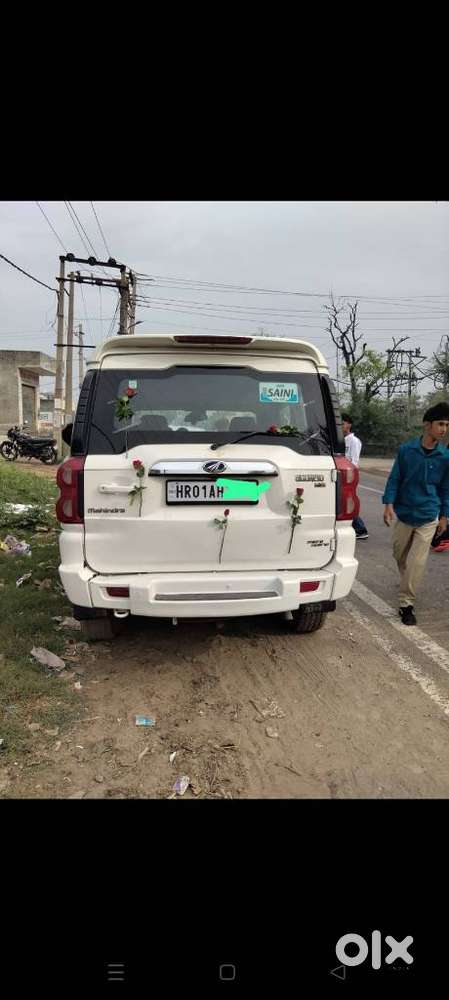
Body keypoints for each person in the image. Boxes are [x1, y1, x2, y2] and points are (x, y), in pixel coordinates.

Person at [382, 402, 449, 625]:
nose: (444, 429)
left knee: (416, 562)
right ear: (427, 425)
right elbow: (395, 479)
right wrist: (388, 503)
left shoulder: (445, 457)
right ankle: (407, 583)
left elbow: (446, 489)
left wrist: (444, 516)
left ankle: (406, 604)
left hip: (429, 515)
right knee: (399, 555)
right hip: (405, 512)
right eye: (440, 424)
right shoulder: (406, 451)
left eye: (447, 425)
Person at [341, 412, 369, 539]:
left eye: (343, 423)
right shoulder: (340, 440)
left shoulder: (354, 441)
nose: (340, 426)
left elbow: (354, 461)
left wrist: (348, 475)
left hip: (349, 475)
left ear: (349, 425)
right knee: (342, 501)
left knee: (347, 501)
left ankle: (360, 529)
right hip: (340, 473)